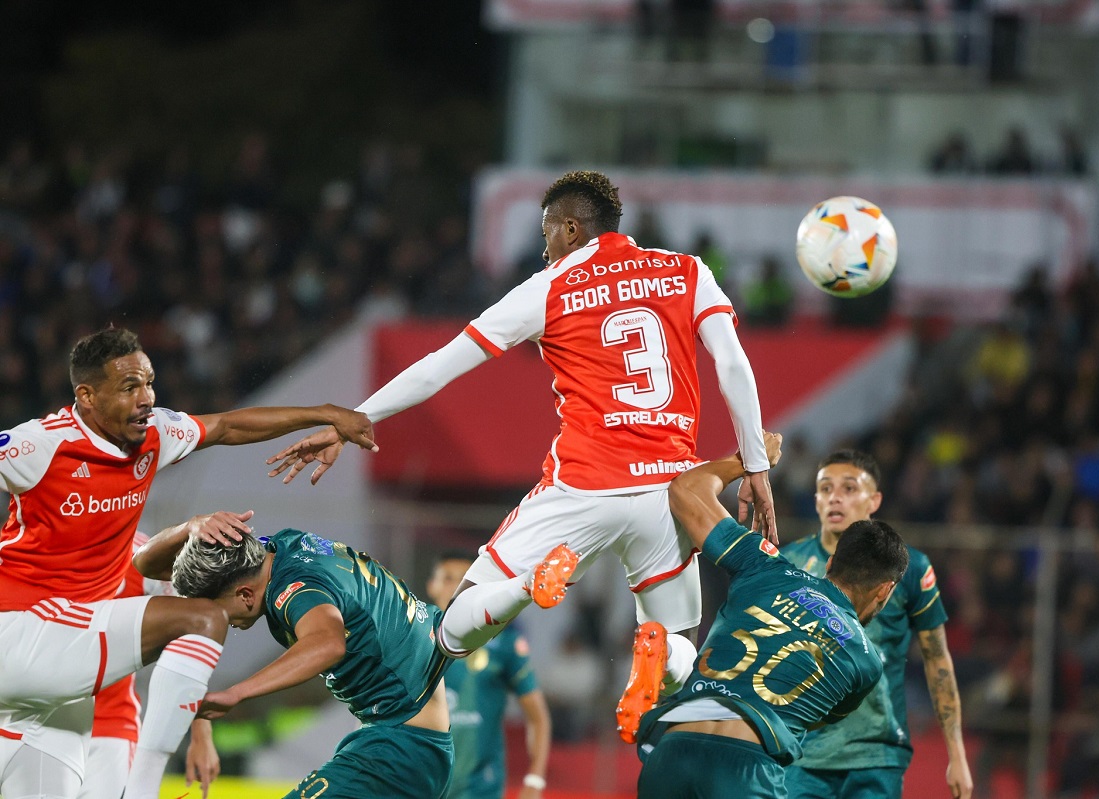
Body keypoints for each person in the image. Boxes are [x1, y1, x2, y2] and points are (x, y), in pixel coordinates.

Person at [268, 170, 775, 734]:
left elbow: (444, 363)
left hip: (582, 487)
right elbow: (732, 364)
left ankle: (526, 588)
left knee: (454, 629)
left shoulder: (550, 286)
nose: (543, 247)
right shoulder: (686, 269)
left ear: (571, 227)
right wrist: (755, 464)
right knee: (679, 653)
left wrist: (358, 418)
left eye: (548, 233)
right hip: (667, 495)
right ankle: (659, 655)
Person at [0, 326, 375, 799]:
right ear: (87, 396)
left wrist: (322, 414)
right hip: (19, 631)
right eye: (129, 387)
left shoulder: (154, 436)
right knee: (201, 618)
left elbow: (226, 426)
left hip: (62, 690)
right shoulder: (40, 445)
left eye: (150, 382)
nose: (147, 398)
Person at [635, 432, 909, 799]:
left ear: (830, 563)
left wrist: (750, 463)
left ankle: (670, 657)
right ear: (885, 590)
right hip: (747, 768)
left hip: (672, 749)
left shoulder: (765, 565)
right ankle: (670, 660)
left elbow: (686, 490)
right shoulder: (865, 662)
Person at [161, 520, 454, 799]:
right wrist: (192, 526)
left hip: (399, 749)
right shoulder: (280, 547)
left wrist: (236, 693)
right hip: (406, 744)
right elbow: (142, 564)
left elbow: (328, 643)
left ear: (246, 594)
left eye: (219, 611)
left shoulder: (293, 591)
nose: (220, 622)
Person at [780, 450, 973, 799]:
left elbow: (937, 658)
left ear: (875, 500)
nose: (835, 497)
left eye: (849, 488)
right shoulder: (787, 564)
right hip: (801, 755)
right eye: (825, 488)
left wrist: (956, 754)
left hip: (876, 756)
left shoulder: (909, 568)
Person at [79, 533, 220, 799]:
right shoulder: (26, 549)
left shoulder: (144, 557)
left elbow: (189, 633)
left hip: (109, 730)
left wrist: (201, 730)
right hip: (32, 720)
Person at [427, 551, 552, 799]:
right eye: (448, 578)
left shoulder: (504, 642)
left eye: (464, 578)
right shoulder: (414, 638)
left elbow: (537, 717)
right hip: (422, 786)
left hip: (480, 789)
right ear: (432, 586)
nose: (456, 586)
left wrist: (535, 779)